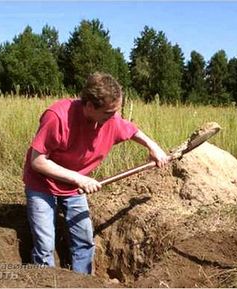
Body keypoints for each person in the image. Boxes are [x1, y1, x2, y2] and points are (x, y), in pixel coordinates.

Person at [23, 72, 169, 274]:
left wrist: (153, 147)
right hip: (42, 184)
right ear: (90, 106)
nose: (114, 117)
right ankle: (46, 281)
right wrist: (79, 178)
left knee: (84, 241)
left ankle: (83, 283)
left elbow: (133, 130)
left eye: (116, 111)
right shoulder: (57, 117)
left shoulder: (110, 120)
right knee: (45, 244)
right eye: (109, 112)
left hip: (74, 188)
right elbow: (37, 161)